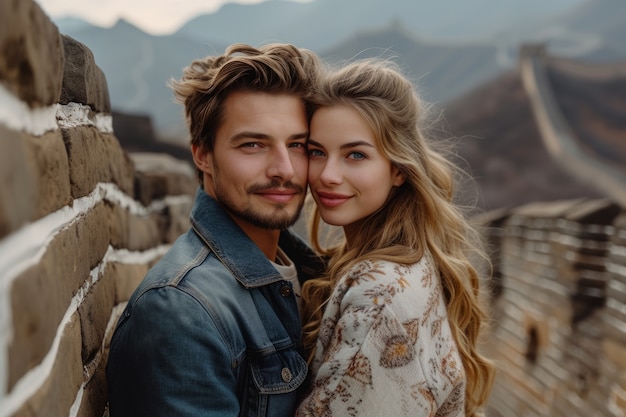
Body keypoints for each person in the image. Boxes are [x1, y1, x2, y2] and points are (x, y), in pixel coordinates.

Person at [106, 43, 326, 417]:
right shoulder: (180, 312)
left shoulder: (314, 275)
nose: (285, 170)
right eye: (253, 145)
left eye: (298, 145)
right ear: (202, 155)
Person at [295, 59, 495, 417]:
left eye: (355, 155)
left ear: (398, 169)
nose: (327, 175)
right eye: (316, 152)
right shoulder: (404, 262)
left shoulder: (380, 296)